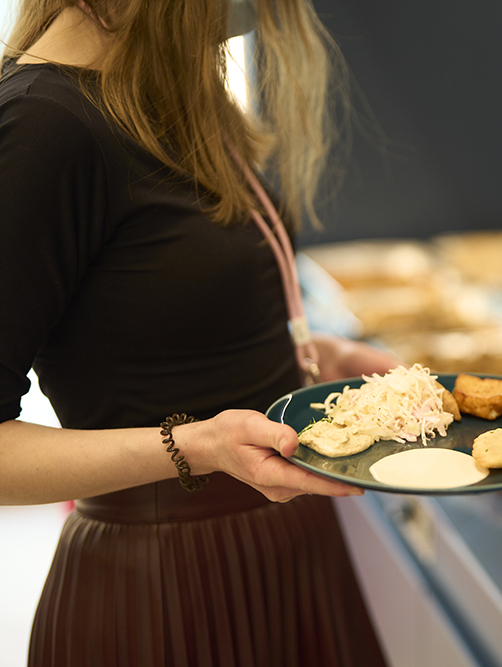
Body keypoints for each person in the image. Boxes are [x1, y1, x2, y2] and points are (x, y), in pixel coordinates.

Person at [0, 0, 397, 664]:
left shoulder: (166, 89)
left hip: (287, 549)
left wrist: (299, 353)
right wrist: (197, 445)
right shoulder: (41, 126)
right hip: (167, 584)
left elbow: (150, 312)